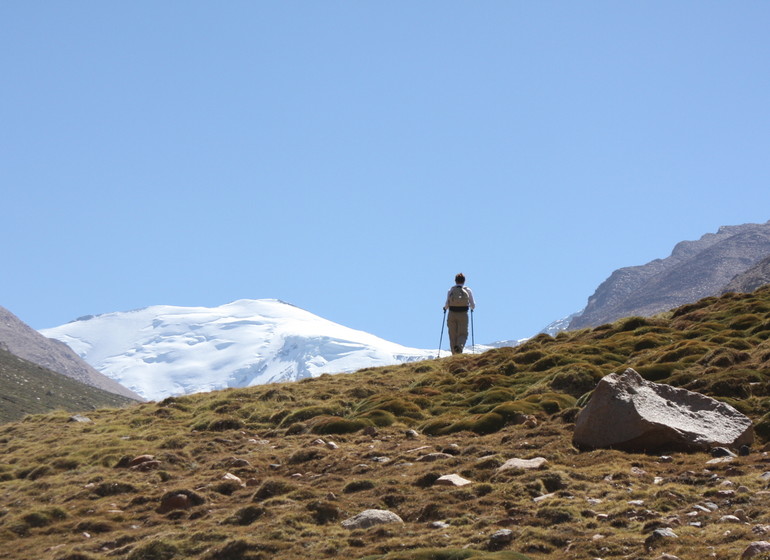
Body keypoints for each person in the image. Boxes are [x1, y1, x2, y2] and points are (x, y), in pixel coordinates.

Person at [443, 273, 475, 354]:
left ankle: (454, 354)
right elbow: (473, 305)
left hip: (452, 314)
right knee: (463, 333)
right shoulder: (468, 290)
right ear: (464, 281)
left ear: (455, 281)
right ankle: (459, 347)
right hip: (463, 314)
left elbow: (447, 304)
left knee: (452, 334)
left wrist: (445, 308)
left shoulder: (451, 290)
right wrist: (471, 307)